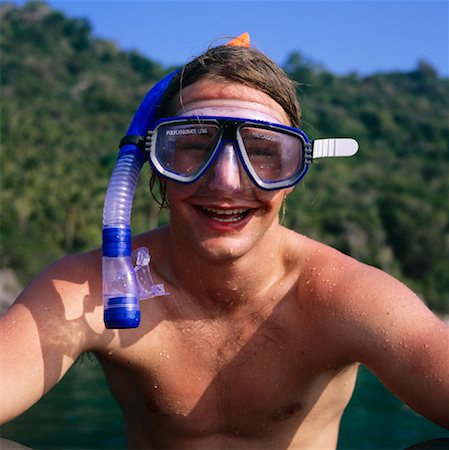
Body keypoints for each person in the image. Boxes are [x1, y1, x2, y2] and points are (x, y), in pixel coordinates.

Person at [1, 34, 448, 449]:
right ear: (156, 163)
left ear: (295, 173)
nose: (227, 181)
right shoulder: (98, 289)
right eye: (194, 145)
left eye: (263, 152)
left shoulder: (344, 297)